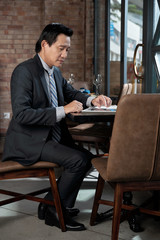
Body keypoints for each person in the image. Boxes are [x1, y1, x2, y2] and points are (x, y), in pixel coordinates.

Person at [2, 23, 112, 231]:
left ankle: (54, 205)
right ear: (45, 44)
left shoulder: (55, 73)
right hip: (29, 140)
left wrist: (93, 100)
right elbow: (22, 114)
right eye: (61, 48)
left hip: (52, 138)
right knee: (78, 160)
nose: (65, 54)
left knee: (88, 159)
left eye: (67, 50)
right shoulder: (24, 71)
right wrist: (63, 109)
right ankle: (55, 211)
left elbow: (73, 94)